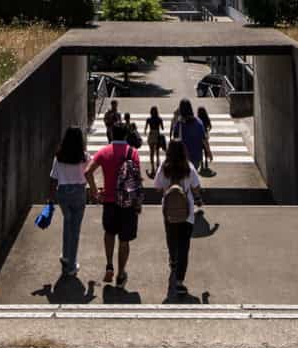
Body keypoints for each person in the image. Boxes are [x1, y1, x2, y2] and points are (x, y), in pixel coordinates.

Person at [85, 122, 142, 286]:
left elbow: (88, 172)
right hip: (128, 203)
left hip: (109, 201)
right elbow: (136, 180)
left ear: (111, 133)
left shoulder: (104, 152)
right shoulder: (133, 153)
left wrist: (95, 192)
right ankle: (121, 273)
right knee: (124, 240)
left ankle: (109, 265)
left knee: (109, 233)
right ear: (125, 135)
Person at [154, 139, 203, 297]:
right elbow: (196, 187)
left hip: (168, 210)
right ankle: (180, 281)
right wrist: (198, 198)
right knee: (184, 245)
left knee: (171, 237)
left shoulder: (164, 167)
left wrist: (167, 189)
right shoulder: (188, 167)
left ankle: (173, 259)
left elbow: (157, 186)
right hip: (186, 212)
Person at [48, 126, 88, 276]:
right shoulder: (84, 156)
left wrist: (51, 199)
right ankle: (71, 265)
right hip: (79, 193)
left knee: (67, 223)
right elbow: (88, 173)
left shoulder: (59, 157)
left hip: (63, 193)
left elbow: (53, 179)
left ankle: (66, 256)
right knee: (75, 229)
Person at [170, 98, 208, 171]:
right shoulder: (198, 122)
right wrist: (208, 152)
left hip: (182, 157)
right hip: (196, 156)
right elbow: (204, 139)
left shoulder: (179, 124)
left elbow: (174, 139)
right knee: (192, 175)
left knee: (183, 178)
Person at [144, 106, 165, 177]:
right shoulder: (159, 119)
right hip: (157, 135)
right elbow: (162, 128)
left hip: (151, 134)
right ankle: (158, 167)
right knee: (157, 153)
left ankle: (152, 169)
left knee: (151, 152)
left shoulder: (148, 119)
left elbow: (146, 128)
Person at [196, 106, 214, 172]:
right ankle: (206, 161)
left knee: (200, 150)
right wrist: (207, 130)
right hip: (205, 136)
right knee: (206, 149)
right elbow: (210, 126)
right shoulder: (207, 119)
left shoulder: (197, 119)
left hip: (198, 137)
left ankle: (202, 163)